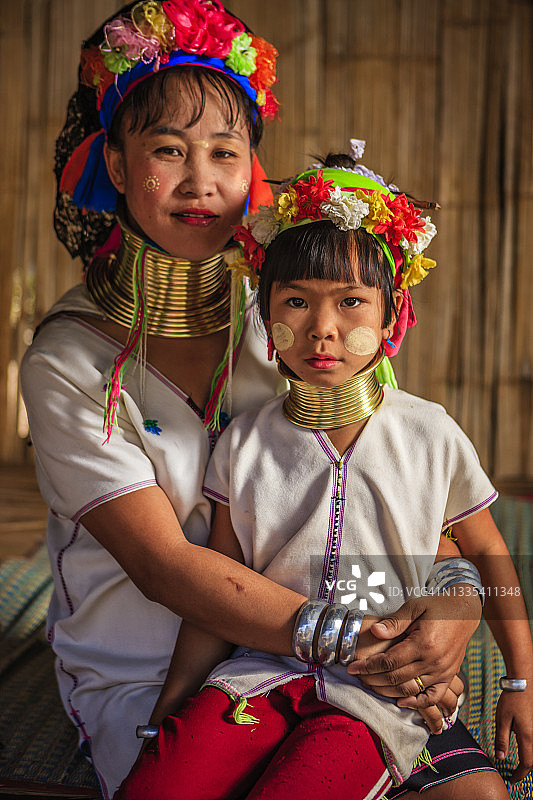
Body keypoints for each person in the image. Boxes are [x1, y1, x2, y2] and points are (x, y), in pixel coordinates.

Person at [20, 2, 485, 796]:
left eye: (225, 152)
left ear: (254, 176)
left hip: (340, 654)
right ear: (116, 168)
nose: (201, 182)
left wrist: (449, 615)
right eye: (168, 149)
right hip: (158, 666)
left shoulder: (293, 323)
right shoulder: (69, 359)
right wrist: (360, 646)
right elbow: (167, 568)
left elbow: (396, 497)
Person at [115, 157, 533, 800]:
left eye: (352, 302)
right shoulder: (245, 442)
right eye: (297, 302)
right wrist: (172, 708)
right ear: (265, 313)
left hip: (375, 691)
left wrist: (520, 682)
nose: (323, 327)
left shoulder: (428, 433)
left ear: (393, 317)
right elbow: (223, 588)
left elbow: (486, 553)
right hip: (260, 675)